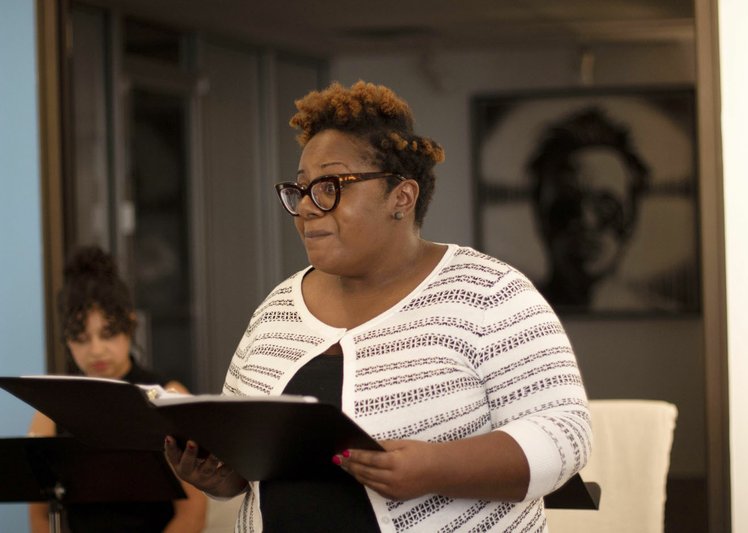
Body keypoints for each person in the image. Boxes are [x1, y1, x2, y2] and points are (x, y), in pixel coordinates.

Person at [166, 80, 591, 532]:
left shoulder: (488, 293)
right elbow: (242, 451)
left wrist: (434, 466)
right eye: (302, 188)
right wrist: (219, 477)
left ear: (401, 198)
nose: (307, 208)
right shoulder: (276, 310)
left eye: (330, 186)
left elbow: (565, 433)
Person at [28, 245, 207, 533]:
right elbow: (39, 517)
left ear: (130, 324)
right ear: (67, 340)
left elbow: (192, 515)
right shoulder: (50, 410)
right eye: (81, 338)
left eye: (108, 333)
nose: (96, 350)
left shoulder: (169, 395)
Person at [526, 107, 650, 311]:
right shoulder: (510, 321)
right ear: (539, 213)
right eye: (567, 206)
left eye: (606, 205)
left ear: (632, 215)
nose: (586, 221)